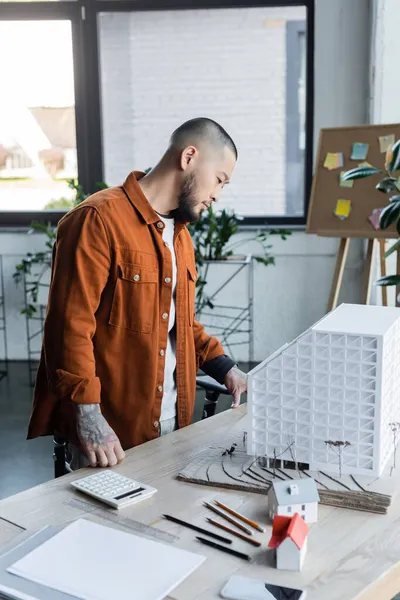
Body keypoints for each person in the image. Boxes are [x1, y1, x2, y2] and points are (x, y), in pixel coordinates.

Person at [27, 117, 248, 469]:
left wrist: (228, 370)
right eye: (219, 180)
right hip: (112, 437)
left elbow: (180, 323)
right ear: (189, 157)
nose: (217, 196)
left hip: (175, 428)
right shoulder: (97, 219)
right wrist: (88, 418)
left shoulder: (181, 237)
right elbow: (69, 329)